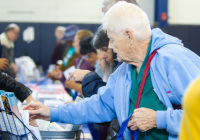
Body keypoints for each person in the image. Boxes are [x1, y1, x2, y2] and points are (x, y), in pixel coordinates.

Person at [24, 2, 200, 140]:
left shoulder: (176, 61)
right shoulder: (125, 70)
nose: (109, 46)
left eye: (112, 39)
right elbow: (99, 105)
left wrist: (158, 119)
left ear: (129, 36)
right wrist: (52, 113)